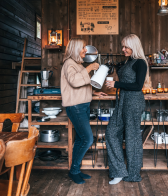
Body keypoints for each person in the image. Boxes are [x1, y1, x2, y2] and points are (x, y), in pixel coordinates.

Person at [61, 38, 107, 184]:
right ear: (75, 49)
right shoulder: (69, 63)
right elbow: (74, 82)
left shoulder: (78, 64)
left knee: (81, 139)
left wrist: (94, 94)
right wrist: (89, 68)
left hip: (83, 105)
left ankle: (76, 170)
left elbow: (81, 86)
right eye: (83, 47)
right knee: (87, 139)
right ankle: (74, 171)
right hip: (76, 107)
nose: (85, 50)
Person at [105, 34, 149, 185]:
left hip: (133, 102)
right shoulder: (128, 61)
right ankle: (119, 171)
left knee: (132, 138)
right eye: (122, 46)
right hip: (122, 101)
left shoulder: (140, 63)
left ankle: (133, 174)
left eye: (126, 47)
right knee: (111, 132)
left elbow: (138, 86)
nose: (123, 49)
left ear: (134, 46)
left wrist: (116, 85)